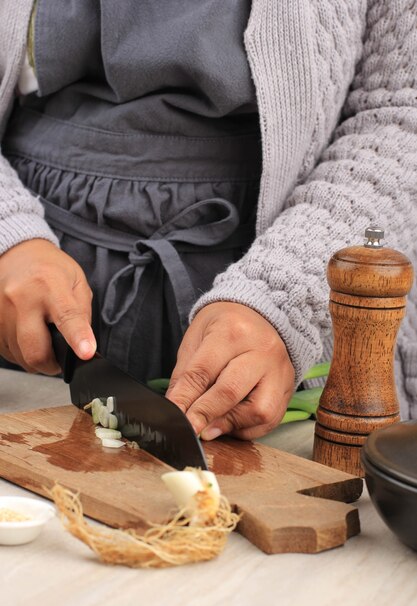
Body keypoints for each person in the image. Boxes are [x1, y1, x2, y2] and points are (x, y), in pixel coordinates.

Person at [0, 0, 416, 442]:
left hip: (283, 306)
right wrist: (8, 235)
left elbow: (401, 115)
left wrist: (282, 297)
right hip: (26, 306)